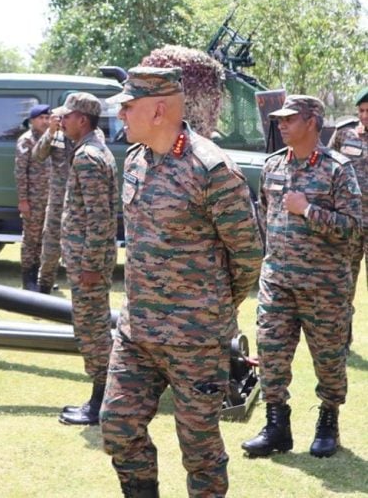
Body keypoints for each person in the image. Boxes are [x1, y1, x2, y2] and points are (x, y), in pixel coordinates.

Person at [100, 67, 263, 498]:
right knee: (117, 426)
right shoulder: (135, 160)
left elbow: (248, 254)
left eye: (128, 106)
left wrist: (211, 309)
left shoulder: (211, 169)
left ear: (157, 110)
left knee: (200, 448)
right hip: (137, 334)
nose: (120, 115)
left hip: (196, 338)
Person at [243, 95, 362, 460]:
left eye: (290, 119)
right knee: (272, 354)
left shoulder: (338, 169)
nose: (281, 124)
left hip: (324, 286)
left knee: (328, 359)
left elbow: (355, 229)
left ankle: (328, 422)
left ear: (312, 122)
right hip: (278, 281)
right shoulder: (273, 166)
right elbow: (266, 217)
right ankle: (277, 425)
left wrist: (309, 210)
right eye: (279, 119)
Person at [56, 92, 117, 426]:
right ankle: (101, 398)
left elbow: (98, 217)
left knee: (92, 332)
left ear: (83, 119)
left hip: (87, 262)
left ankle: (101, 403)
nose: (61, 121)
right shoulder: (92, 150)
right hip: (86, 259)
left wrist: (91, 264)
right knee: (92, 329)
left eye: (67, 116)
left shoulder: (88, 157)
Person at [329, 85, 368, 301]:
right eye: (361, 111)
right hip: (349, 222)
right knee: (344, 284)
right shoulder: (345, 133)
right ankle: (343, 333)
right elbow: (328, 166)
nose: (364, 116)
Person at [33, 106, 74, 294]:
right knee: (49, 248)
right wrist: (51, 131)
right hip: (58, 201)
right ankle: (44, 289)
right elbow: (38, 155)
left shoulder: (91, 134)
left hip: (79, 202)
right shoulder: (56, 135)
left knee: (76, 249)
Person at [15, 104, 52, 291]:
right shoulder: (27, 140)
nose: (45, 121)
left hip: (50, 200)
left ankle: (41, 277)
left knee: (47, 240)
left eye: (47, 117)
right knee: (31, 240)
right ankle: (28, 279)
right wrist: (23, 200)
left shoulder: (53, 139)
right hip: (33, 199)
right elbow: (21, 172)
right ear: (32, 121)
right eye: (41, 118)